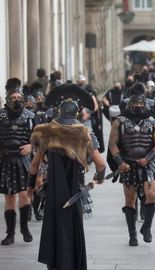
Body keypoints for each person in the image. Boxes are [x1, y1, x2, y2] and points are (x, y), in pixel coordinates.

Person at [30, 97, 106, 270]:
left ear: (59, 112)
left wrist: (30, 186)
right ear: (76, 113)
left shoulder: (45, 131)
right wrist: (100, 177)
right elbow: (100, 163)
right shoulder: (84, 132)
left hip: (53, 190)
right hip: (74, 190)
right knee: (73, 228)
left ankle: (55, 264)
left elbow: (35, 164)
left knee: (53, 226)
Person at [108, 93, 155, 246]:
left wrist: (148, 158)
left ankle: (147, 227)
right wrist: (120, 162)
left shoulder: (152, 121)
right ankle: (132, 234)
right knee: (130, 199)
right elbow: (112, 144)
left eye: (141, 104)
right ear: (129, 106)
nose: (138, 106)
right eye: (135, 104)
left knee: (151, 195)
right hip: (128, 165)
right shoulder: (119, 122)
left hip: (148, 163)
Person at [0, 79, 35, 245]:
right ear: (8, 98)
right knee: (9, 196)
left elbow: (38, 138)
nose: (16, 100)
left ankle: (24, 228)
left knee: (24, 194)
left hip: (23, 160)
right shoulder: (0, 115)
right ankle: (10, 233)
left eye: (18, 97)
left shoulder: (30, 116)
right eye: (13, 97)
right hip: (6, 159)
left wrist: (30, 145)